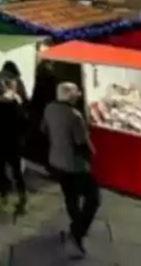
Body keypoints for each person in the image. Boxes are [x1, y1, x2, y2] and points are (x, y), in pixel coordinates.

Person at [43, 82, 100, 258]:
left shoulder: (50, 108)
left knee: (71, 197)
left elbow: (44, 129)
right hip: (75, 165)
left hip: (56, 161)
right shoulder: (74, 115)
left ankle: (75, 229)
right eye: (76, 93)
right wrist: (92, 153)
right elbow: (81, 142)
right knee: (93, 198)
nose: (79, 96)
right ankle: (77, 233)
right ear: (71, 96)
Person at [0, 75, 29, 215]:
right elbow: (24, 124)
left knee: (0, 171)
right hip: (13, 142)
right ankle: (22, 198)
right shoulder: (14, 105)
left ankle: (4, 198)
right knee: (17, 171)